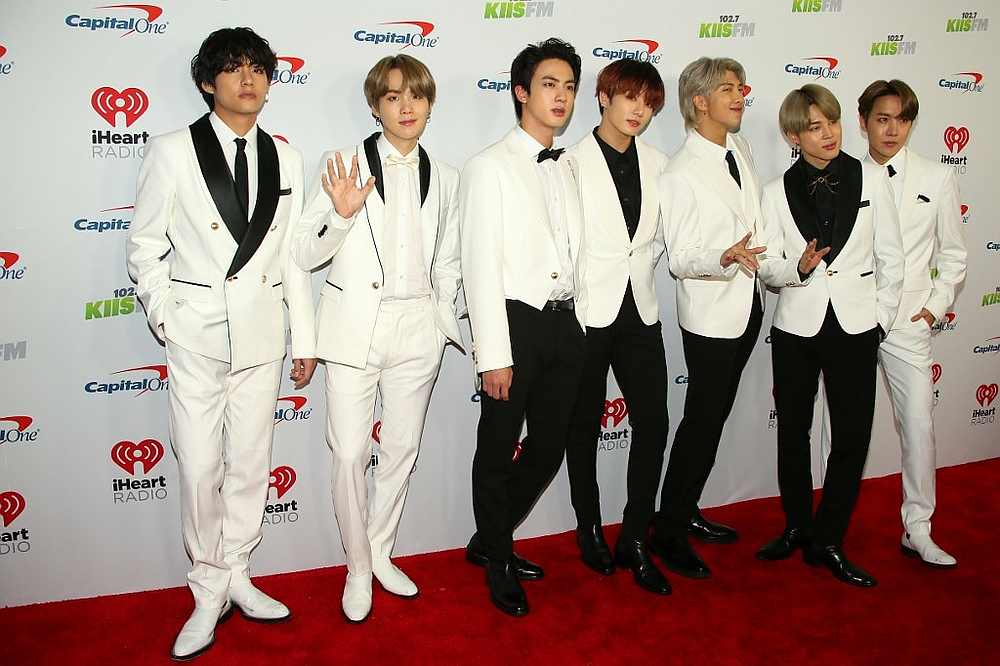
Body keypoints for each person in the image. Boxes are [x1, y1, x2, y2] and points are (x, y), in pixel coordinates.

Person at [126, 27, 316, 660]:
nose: (248, 80)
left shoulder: (286, 158)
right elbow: (144, 248)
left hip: (262, 333)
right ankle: (207, 587)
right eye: (234, 69)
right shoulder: (173, 150)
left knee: (250, 462)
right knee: (202, 464)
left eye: (258, 68)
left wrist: (304, 336)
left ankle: (237, 570)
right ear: (209, 81)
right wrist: (166, 314)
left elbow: (292, 257)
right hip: (198, 335)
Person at [291, 54, 463, 623]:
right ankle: (358, 566)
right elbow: (304, 253)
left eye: (415, 95)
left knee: (402, 449)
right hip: (353, 329)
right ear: (375, 105)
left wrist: (445, 319)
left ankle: (382, 550)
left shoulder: (448, 175)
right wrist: (339, 217)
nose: (406, 106)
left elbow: (451, 258)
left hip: (419, 328)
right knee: (348, 453)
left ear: (430, 103)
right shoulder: (341, 163)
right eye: (392, 97)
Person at [652, 57, 807, 580]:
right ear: (699, 102)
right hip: (712, 317)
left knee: (710, 420)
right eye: (726, 89)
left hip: (749, 309)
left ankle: (685, 508)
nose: (740, 95)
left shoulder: (737, 148)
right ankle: (667, 532)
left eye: (740, 87)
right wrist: (721, 256)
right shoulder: (678, 171)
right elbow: (678, 257)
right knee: (699, 423)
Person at [755, 84, 904, 588]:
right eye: (815, 127)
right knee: (793, 432)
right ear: (794, 136)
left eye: (833, 123)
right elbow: (767, 268)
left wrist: (880, 319)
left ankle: (830, 539)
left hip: (857, 326)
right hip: (797, 325)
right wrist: (795, 268)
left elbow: (892, 257)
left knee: (852, 436)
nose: (829, 134)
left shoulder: (871, 178)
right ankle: (797, 525)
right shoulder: (774, 191)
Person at [460, 37, 587, 617]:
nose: (560, 97)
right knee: (497, 448)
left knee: (549, 447)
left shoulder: (569, 165)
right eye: (548, 85)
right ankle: (499, 558)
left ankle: (491, 538)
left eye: (568, 86)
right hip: (513, 323)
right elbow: (479, 265)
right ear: (520, 92)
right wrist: (492, 353)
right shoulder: (488, 167)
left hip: (566, 325)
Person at [564, 58, 671, 595]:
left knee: (654, 420)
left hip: (641, 311)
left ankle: (634, 534)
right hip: (586, 312)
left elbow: (671, 237)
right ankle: (588, 527)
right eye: (629, 96)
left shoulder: (659, 162)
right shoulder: (570, 163)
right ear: (603, 97)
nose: (639, 109)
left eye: (648, 101)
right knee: (581, 426)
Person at [856, 79, 966, 568]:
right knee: (840, 426)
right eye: (882, 118)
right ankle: (829, 522)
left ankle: (917, 527)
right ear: (863, 122)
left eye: (902, 119)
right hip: (853, 318)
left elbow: (955, 252)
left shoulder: (936, 177)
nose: (892, 129)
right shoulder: (846, 175)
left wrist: (935, 305)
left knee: (919, 424)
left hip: (909, 321)